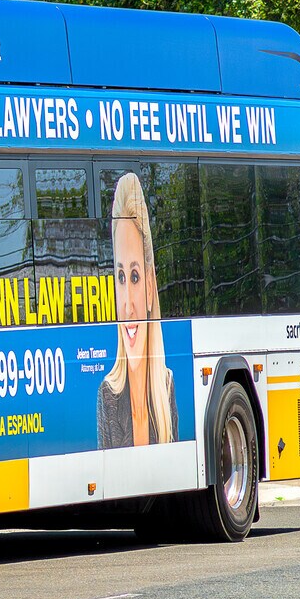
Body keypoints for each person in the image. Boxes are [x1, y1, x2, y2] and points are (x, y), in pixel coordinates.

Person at [97, 173, 177, 448]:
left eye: (134, 277)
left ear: (151, 284)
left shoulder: (166, 387)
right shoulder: (108, 396)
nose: (128, 306)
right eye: (120, 278)